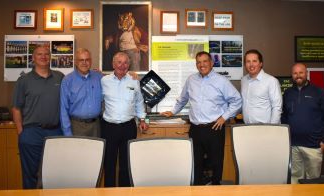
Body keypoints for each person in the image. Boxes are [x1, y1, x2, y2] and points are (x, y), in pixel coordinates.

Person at [161, 51, 242, 185]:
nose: (202, 65)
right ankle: (197, 190)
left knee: (216, 164)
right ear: (196, 64)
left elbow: (237, 100)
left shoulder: (221, 81)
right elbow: (183, 99)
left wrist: (224, 117)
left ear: (211, 63)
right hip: (196, 129)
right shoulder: (191, 80)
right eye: (198, 62)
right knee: (196, 163)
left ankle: (215, 189)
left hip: (214, 128)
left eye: (205, 61)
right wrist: (173, 111)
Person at [11, 46, 64, 189]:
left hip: (55, 132)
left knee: (54, 174)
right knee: (30, 175)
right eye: (39, 54)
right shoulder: (24, 80)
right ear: (33, 58)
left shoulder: (59, 77)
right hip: (31, 132)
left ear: (50, 57)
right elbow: (16, 108)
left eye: (47, 54)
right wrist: (21, 132)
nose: (43, 57)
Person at [101, 52, 148, 187]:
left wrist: (142, 119)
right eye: (119, 62)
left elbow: (139, 102)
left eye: (126, 62)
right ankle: (109, 192)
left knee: (126, 164)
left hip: (128, 127)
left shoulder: (134, 80)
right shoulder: (104, 81)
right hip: (109, 127)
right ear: (113, 64)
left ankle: (124, 192)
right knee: (109, 163)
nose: (122, 65)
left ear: (129, 65)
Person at [281, 63, 324, 184]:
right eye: (295, 73)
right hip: (293, 145)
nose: (298, 75)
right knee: (295, 179)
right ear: (292, 75)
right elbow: (284, 117)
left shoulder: (319, 92)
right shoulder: (288, 94)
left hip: (314, 145)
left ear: (306, 73)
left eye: (301, 72)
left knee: (313, 181)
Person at [60, 48, 102, 137]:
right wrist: (67, 133)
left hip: (96, 126)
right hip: (76, 127)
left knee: (96, 151)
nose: (84, 63)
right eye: (81, 60)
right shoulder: (67, 80)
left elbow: (113, 80)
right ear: (75, 62)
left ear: (90, 61)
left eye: (87, 60)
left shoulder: (99, 77)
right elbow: (63, 109)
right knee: (77, 151)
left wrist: (130, 75)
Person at [241, 49, 282, 124]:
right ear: (245, 64)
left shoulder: (271, 81)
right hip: (247, 127)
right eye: (248, 61)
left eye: (254, 61)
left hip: (265, 128)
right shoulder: (244, 80)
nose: (251, 65)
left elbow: (277, 107)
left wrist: (272, 128)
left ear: (261, 63)